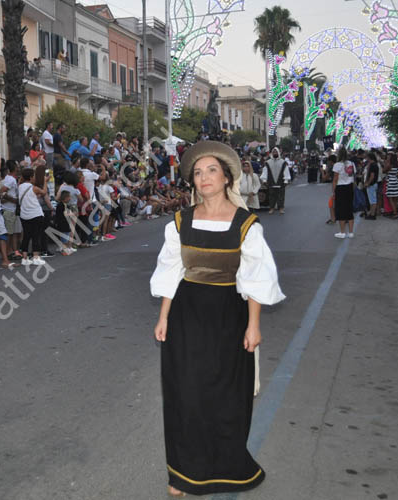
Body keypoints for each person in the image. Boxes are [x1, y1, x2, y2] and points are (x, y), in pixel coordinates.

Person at [150, 141, 284, 497]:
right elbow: (170, 272)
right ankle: (182, 473)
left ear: (226, 177)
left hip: (229, 316)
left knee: (226, 395)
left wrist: (254, 325)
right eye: (198, 172)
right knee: (185, 395)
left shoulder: (246, 224)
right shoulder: (180, 222)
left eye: (211, 170)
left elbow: (255, 279)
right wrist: (164, 317)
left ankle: (226, 466)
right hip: (186, 317)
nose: (204, 177)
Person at [17, 168, 47, 265]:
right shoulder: (34, 187)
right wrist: (45, 182)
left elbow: (29, 197)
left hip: (24, 215)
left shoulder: (20, 186)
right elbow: (44, 192)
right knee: (36, 235)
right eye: (33, 176)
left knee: (26, 236)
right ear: (30, 177)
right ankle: (36, 257)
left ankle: (25, 258)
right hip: (35, 214)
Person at [332, 147, 356, 239]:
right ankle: (351, 232)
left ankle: (342, 232)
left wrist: (333, 191)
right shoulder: (351, 164)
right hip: (349, 187)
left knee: (341, 209)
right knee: (349, 208)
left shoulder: (337, 165)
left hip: (340, 188)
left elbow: (335, 179)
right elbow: (352, 176)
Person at [260, 147, 291, 214]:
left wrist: (286, 180)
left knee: (281, 196)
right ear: (272, 153)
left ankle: (281, 208)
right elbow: (265, 171)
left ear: (278, 153)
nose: (275, 153)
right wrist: (264, 180)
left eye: (276, 152)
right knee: (271, 196)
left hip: (281, 181)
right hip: (271, 182)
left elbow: (286, 171)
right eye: (274, 152)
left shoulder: (283, 162)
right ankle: (272, 208)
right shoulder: (268, 162)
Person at [383, 153, 398, 218]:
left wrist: (386, 163)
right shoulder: (397, 165)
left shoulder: (389, 165)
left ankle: (395, 213)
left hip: (390, 181)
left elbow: (384, 171)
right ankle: (395, 211)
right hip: (395, 181)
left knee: (390, 198)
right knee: (395, 199)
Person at [364, 152, 380, 220]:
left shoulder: (373, 165)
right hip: (373, 184)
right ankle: (371, 213)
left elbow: (372, 176)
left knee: (372, 200)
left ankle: (372, 214)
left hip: (372, 184)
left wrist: (368, 183)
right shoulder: (374, 164)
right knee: (372, 199)